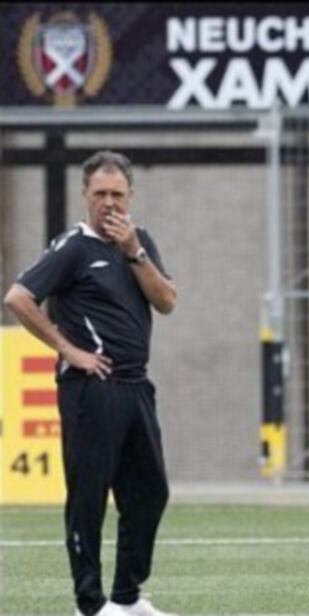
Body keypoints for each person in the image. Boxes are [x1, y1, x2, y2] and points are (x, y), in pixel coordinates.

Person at [4, 151, 178, 616]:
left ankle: (127, 596)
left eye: (116, 194)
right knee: (89, 494)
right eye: (99, 194)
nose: (108, 203)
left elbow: (167, 301)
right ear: (84, 196)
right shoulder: (73, 248)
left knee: (150, 491)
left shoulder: (139, 243)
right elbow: (18, 298)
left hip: (136, 386)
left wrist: (134, 253)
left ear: (130, 196)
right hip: (90, 389)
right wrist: (68, 350)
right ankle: (90, 603)